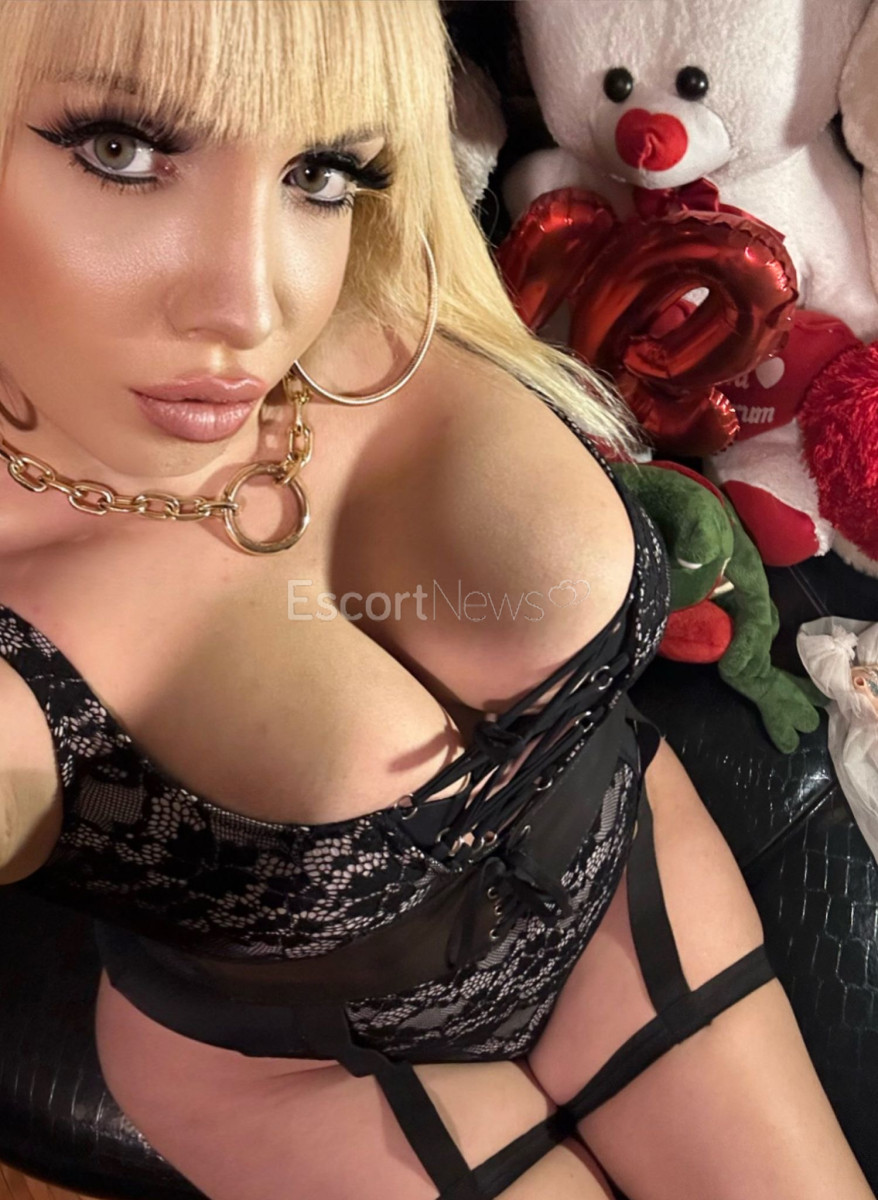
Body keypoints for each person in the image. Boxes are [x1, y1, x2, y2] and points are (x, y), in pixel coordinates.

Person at [0, 2, 871, 1198]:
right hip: (299, 1064)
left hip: (619, 867)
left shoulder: (378, 278)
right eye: (120, 149)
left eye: (320, 169)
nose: (251, 307)